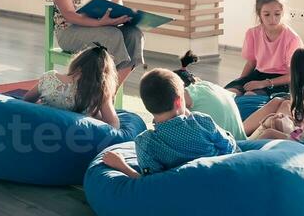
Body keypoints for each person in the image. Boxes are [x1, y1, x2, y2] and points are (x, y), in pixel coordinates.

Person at [100, 68, 238, 178]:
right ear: (178, 102)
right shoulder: (202, 121)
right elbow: (229, 145)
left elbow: (151, 183)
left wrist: (122, 166)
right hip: (219, 178)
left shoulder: (145, 142)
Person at [224, 0, 302, 97]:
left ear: (282, 13)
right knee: (229, 94)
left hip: (281, 80)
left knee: (250, 96)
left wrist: (263, 83)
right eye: (267, 14)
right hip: (258, 75)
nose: (273, 19)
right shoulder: (252, 33)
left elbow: (292, 76)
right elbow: (251, 63)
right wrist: (241, 83)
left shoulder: (292, 39)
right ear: (259, 14)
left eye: (277, 14)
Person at [23, 44, 120, 128]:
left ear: (76, 61)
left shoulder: (48, 77)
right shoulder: (98, 92)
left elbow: (27, 99)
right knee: (96, 114)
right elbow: (113, 123)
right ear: (104, 75)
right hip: (71, 133)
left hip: (42, 126)